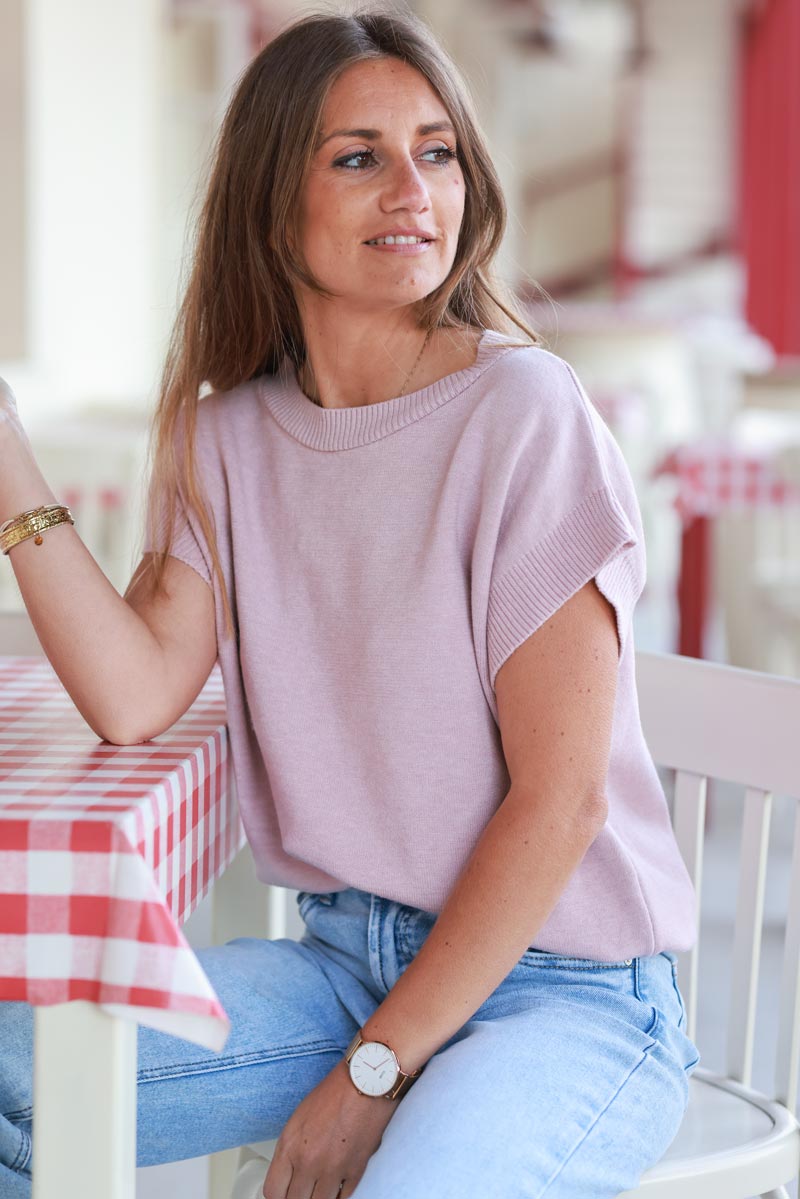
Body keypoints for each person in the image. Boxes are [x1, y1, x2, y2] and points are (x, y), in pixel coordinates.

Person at [0, 7, 700, 1197]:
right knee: (16, 1075)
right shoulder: (223, 438)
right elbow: (131, 694)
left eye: (435, 151)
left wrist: (370, 1075)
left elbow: (562, 801)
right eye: (358, 156)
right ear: (274, 202)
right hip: (343, 962)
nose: (412, 190)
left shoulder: (522, 413)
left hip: (565, 990)